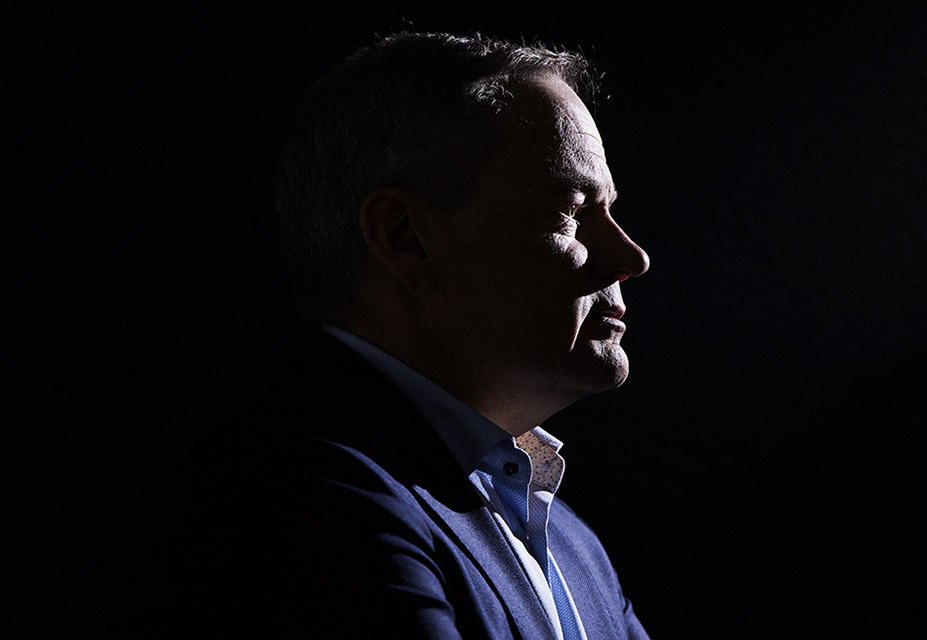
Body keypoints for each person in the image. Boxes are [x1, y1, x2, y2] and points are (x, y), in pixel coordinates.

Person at [127, 32, 650, 639]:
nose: (631, 258)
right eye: (572, 211)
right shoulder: (292, 497)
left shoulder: (574, 548)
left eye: (610, 210)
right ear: (406, 238)